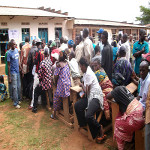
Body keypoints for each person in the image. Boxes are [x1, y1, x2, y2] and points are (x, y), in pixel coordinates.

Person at [74, 57, 104, 143]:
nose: (80, 68)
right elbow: (87, 91)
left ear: (84, 65)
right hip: (90, 96)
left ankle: (99, 128)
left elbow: (86, 90)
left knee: (88, 115)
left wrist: (80, 84)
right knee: (77, 105)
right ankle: (84, 124)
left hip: (96, 96)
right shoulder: (86, 73)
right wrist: (82, 86)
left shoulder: (89, 74)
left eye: (80, 66)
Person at [106, 86, 144, 150]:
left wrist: (113, 92)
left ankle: (121, 147)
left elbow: (108, 97)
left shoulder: (117, 89)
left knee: (117, 124)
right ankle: (129, 140)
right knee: (123, 119)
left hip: (136, 120)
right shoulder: (124, 88)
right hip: (141, 115)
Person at [51, 51, 71, 119]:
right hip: (68, 85)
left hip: (62, 86)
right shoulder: (67, 63)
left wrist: (55, 83)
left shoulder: (58, 65)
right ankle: (63, 109)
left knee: (56, 96)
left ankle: (54, 114)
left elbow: (56, 76)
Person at [32, 48, 52, 113]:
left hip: (45, 84)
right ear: (48, 54)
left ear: (44, 54)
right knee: (42, 89)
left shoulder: (42, 63)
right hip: (50, 83)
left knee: (36, 90)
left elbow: (40, 76)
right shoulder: (50, 62)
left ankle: (34, 108)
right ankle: (44, 103)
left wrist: (41, 81)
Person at [7, 39, 21, 108]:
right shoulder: (9, 53)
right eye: (14, 44)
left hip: (18, 71)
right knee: (15, 87)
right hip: (13, 72)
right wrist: (9, 76)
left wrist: (20, 67)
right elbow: (9, 65)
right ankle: (15, 103)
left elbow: (18, 60)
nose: (15, 45)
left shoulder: (16, 50)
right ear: (10, 45)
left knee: (19, 86)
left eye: (15, 44)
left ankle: (18, 99)